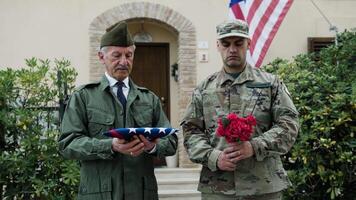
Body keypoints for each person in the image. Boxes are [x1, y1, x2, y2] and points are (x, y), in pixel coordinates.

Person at [58, 21, 178, 200]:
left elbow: (171, 141)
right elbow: (67, 144)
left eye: (129, 55)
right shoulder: (84, 96)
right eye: (117, 55)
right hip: (99, 194)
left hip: (141, 193)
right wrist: (109, 145)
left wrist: (152, 146)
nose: (124, 61)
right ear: (101, 56)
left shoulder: (149, 98)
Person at [181, 19, 299, 200]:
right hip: (218, 188)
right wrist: (213, 157)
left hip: (263, 187)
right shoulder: (204, 89)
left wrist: (254, 146)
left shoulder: (270, 84)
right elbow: (190, 131)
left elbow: (289, 124)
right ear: (218, 45)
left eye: (239, 43)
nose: (232, 49)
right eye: (226, 44)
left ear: (248, 44)